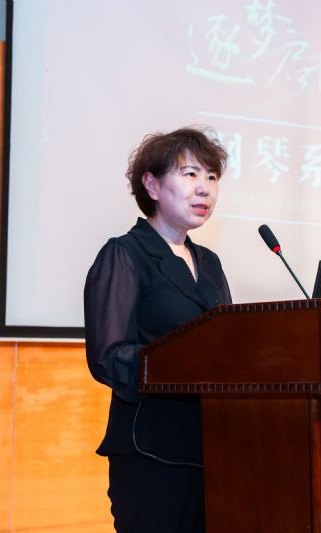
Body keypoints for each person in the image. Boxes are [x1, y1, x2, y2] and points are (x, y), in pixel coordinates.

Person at [84, 127, 231, 532]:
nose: (204, 188)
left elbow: (229, 344)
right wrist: (186, 365)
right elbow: (109, 356)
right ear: (151, 184)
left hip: (212, 451)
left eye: (211, 177)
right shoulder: (125, 254)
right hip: (151, 453)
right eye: (190, 174)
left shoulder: (210, 263)